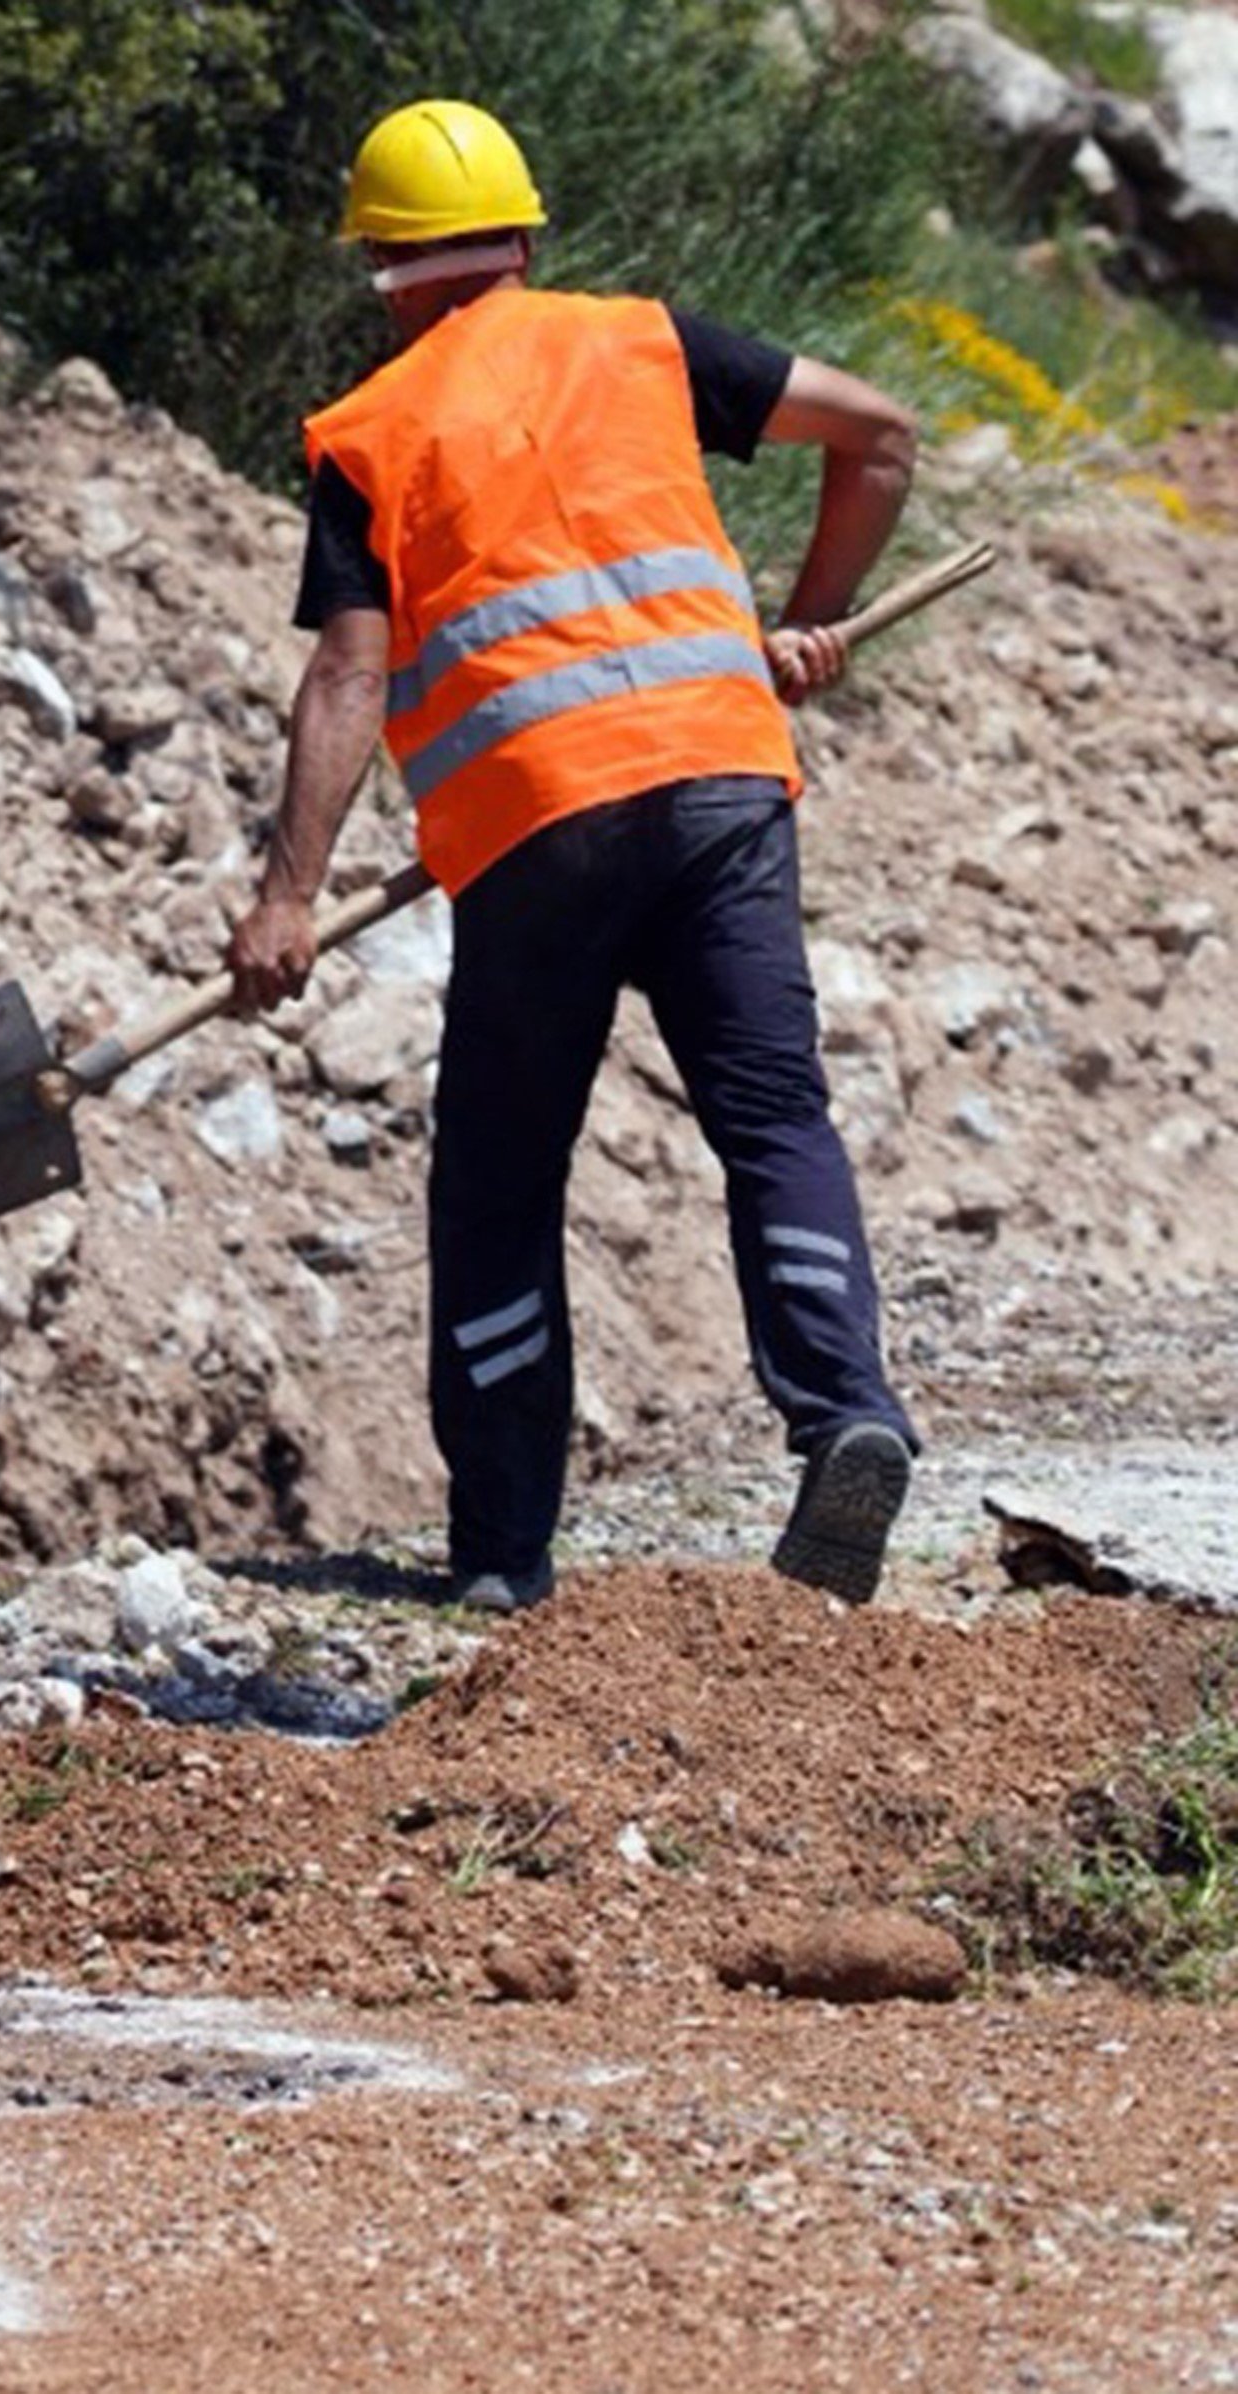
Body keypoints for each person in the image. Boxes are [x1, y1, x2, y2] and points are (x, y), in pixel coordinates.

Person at [223, 98, 922, 1612]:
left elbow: (348, 677)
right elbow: (881, 437)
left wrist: (287, 894)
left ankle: (500, 1552)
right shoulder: (646, 343)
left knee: (499, 1179)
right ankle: (847, 1413)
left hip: (542, 828)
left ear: (385, 274)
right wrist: (800, 616)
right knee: (773, 1113)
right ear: (527, 239)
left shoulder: (370, 434)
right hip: (724, 786)